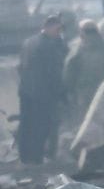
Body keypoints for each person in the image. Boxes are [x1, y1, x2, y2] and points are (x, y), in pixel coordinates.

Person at [16, 15, 68, 164]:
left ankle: (24, 156)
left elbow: (20, 67)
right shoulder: (48, 46)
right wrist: (61, 93)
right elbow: (54, 72)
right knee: (41, 125)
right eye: (58, 29)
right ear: (48, 27)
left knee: (26, 124)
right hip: (42, 93)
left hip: (26, 90)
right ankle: (36, 157)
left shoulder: (28, 42)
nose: (59, 33)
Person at [63, 20, 104, 118]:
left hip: (84, 96)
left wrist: (70, 93)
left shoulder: (76, 52)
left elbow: (68, 76)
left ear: (81, 33)